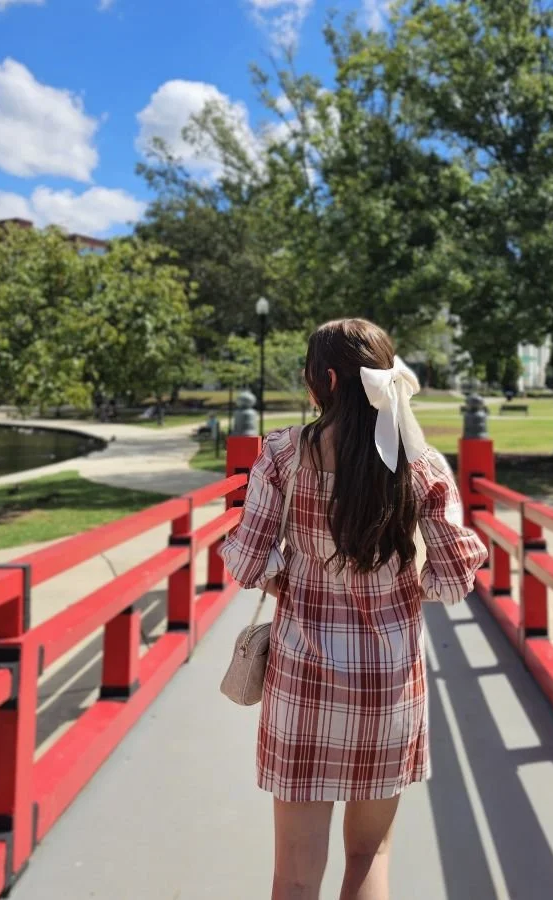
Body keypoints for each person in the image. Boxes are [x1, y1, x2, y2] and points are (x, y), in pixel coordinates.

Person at [221, 319, 487, 900]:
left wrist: (292, 578)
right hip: (388, 688)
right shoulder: (421, 465)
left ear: (327, 380)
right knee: (370, 856)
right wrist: (401, 585)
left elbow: (245, 562)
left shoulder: (284, 454)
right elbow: (452, 579)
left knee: (293, 872)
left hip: (302, 682)